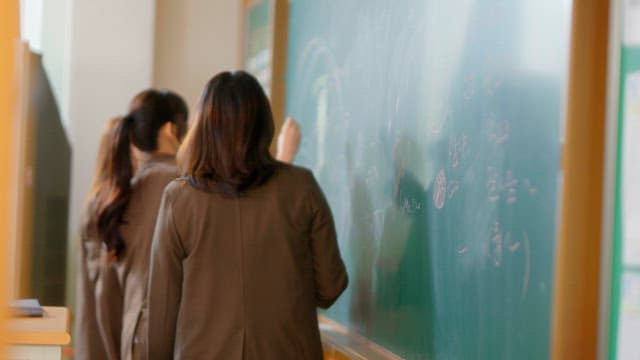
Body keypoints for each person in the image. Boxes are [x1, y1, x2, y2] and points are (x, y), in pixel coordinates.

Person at [146, 71, 348, 359]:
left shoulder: (178, 199)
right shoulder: (301, 187)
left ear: (203, 128)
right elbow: (330, 287)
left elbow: (162, 312)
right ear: (264, 123)